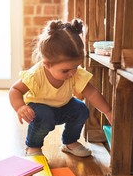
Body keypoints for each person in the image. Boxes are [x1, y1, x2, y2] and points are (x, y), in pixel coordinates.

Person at [9, 19, 112, 157]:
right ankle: (33, 146)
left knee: (81, 109)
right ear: (47, 65)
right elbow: (15, 90)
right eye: (65, 71)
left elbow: (91, 93)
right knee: (45, 116)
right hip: (40, 108)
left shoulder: (74, 73)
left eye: (75, 67)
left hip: (64, 106)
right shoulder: (36, 74)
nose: (71, 73)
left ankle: (70, 142)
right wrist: (20, 107)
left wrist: (108, 111)